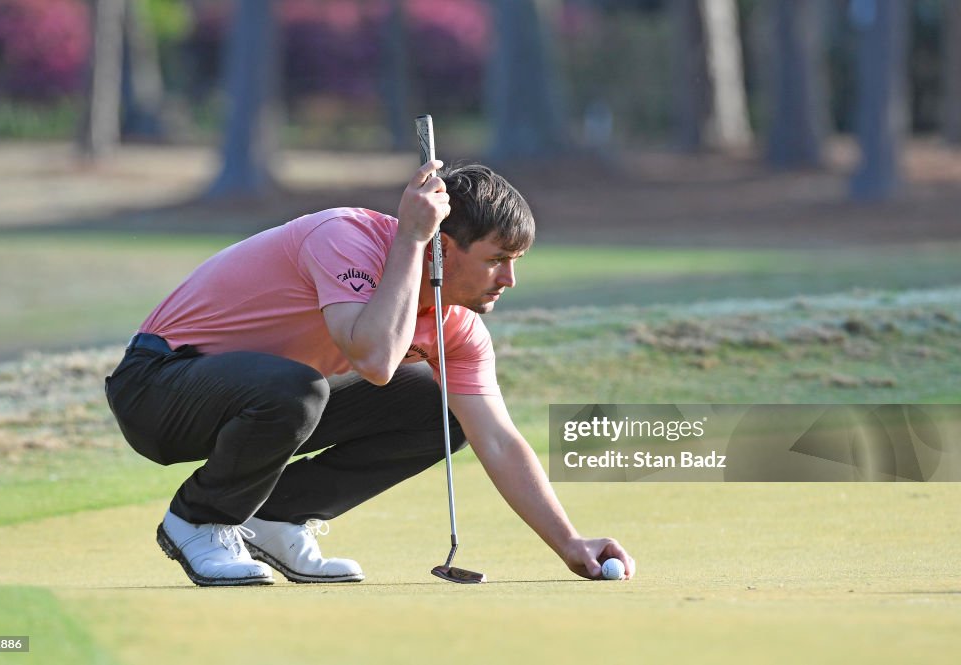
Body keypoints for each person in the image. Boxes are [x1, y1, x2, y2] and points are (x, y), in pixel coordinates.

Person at [104, 160, 636, 586]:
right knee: (296, 388)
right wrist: (410, 238)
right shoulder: (346, 237)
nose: (511, 279)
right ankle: (198, 520)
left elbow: (498, 439)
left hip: (261, 399)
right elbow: (375, 359)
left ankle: (275, 518)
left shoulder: (458, 329)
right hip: (158, 388)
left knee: (440, 407)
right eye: (498, 259)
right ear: (443, 248)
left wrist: (570, 542)